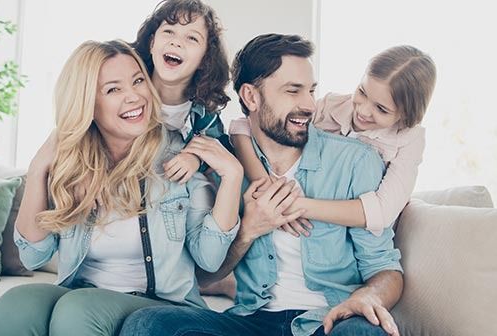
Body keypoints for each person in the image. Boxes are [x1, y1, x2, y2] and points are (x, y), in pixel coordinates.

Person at [119, 34, 404, 336]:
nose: (309, 105)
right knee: (148, 324)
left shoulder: (355, 161)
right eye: (293, 92)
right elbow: (204, 276)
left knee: (366, 333)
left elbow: (385, 268)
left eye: (311, 91)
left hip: (329, 319)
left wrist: (368, 296)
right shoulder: (225, 164)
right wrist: (249, 229)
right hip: (250, 320)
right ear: (251, 97)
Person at [0, 40, 243, 336]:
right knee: (15, 305)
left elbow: (209, 258)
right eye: (113, 89)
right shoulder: (74, 165)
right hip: (80, 294)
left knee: (79, 310)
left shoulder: (178, 158)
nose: (134, 96)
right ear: (87, 104)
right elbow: (34, 255)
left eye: (137, 82)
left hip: (160, 305)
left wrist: (233, 177)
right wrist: (38, 169)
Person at [229, 45, 437, 236]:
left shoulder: (410, 140)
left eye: (381, 109)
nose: (363, 111)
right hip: (317, 227)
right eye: (362, 92)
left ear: (406, 115)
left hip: (361, 234)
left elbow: (382, 213)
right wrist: (263, 184)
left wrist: (292, 205)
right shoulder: (333, 105)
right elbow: (243, 125)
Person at [133, 0, 233, 184]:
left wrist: (196, 158)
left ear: (205, 59)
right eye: (169, 31)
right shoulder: (129, 98)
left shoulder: (204, 117)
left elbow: (223, 148)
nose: (176, 42)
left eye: (192, 38)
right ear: (152, 43)